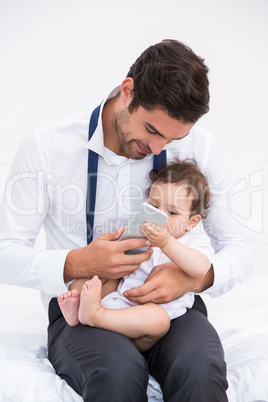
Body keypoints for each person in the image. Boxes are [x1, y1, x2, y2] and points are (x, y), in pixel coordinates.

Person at [0, 39, 255, 401]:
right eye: (152, 130)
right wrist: (77, 262)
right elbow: (5, 253)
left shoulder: (202, 148)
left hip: (173, 308)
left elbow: (241, 249)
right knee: (117, 375)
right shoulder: (46, 147)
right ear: (127, 91)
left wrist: (194, 279)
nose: (158, 149)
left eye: (173, 138)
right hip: (90, 305)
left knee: (200, 370)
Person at [58, 161, 214, 352]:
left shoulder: (192, 242)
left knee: (159, 320)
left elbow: (199, 269)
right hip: (120, 297)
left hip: (148, 318)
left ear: (192, 222)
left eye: (172, 212)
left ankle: (96, 316)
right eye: (154, 206)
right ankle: (77, 311)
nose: (160, 217)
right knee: (91, 280)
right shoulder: (143, 231)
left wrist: (167, 243)